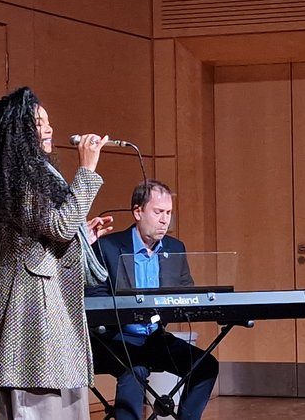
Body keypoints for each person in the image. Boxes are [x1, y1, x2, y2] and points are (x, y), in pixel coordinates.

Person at [0, 87, 113, 419]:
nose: (49, 129)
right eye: (39, 123)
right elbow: (58, 226)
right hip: (31, 309)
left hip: (49, 304)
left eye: (48, 121)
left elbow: (50, 234)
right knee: (41, 402)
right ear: (19, 133)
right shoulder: (17, 181)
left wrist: (82, 237)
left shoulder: (34, 176)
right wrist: (87, 170)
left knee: (64, 399)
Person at [87, 179, 219, 420]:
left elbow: (186, 292)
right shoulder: (107, 247)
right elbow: (96, 301)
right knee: (134, 368)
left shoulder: (175, 247)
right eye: (158, 212)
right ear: (138, 211)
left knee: (206, 365)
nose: (164, 219)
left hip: (154, 339)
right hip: (114, 340)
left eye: (168, 212)